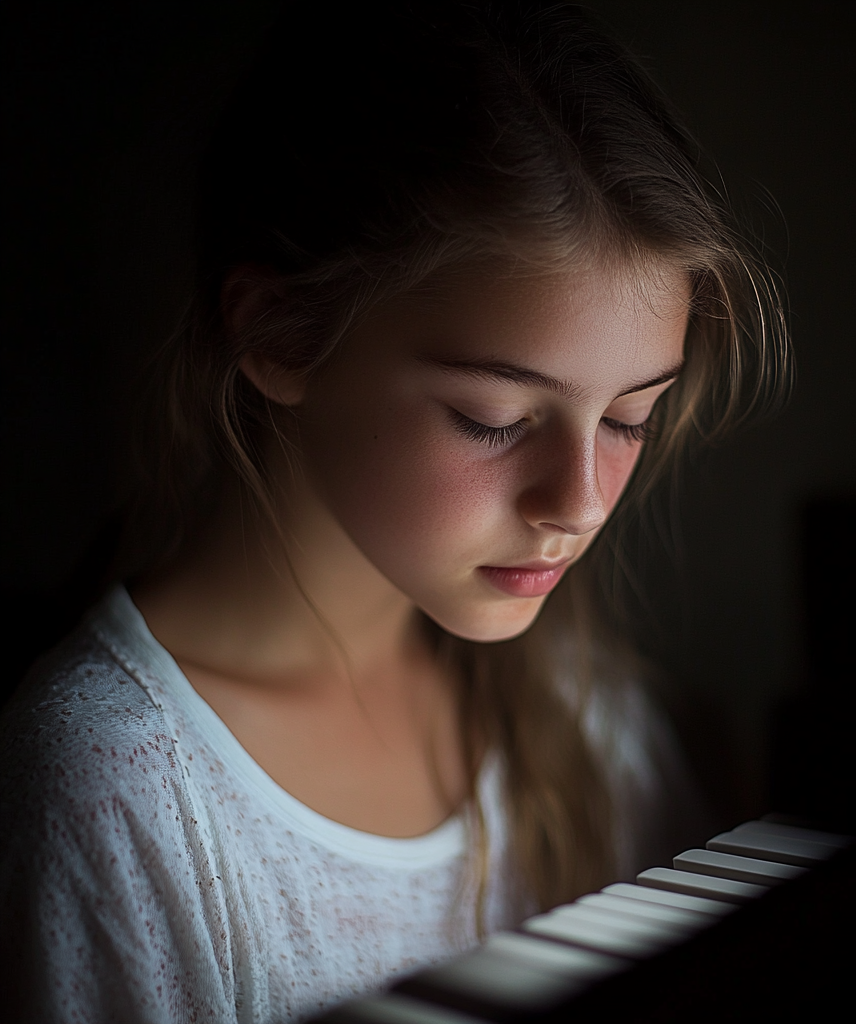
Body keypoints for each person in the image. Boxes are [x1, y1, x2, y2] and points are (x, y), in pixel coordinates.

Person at [0, 1, 789, 1020]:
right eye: (494, 418)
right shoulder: (111, 793)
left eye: (631, 417)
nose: (581, 503)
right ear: (282, 334)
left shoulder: (593, 725)